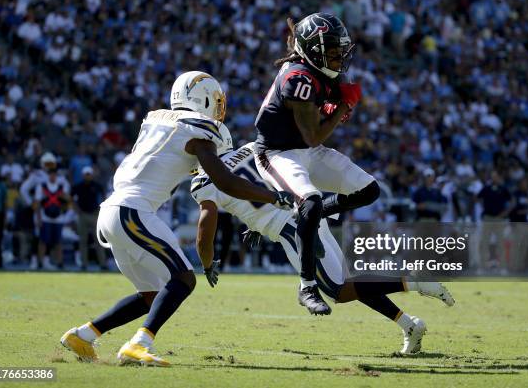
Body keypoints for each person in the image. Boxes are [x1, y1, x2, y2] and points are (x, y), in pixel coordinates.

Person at [60, 71, 294, 367]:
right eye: (216, 101)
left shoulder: (156, 120)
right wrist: (272, 197)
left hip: (111, 210)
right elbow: (224, 181)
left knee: (152, 295)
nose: (220, 108)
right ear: (204, 98)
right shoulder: (200, 130)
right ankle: (138, 344)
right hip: (134, 210)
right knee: (183, 278)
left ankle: (83, 335)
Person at [191, 141, 454, 354]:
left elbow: (205, 231)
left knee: (339, 291)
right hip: (307, 213)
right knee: (348, 282)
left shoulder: (204, 179)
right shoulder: (250, 147)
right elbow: (272, 181)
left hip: (291, 228)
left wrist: (206, 263)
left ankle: (416, 281)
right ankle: (409, 325)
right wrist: (258, 224)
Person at [254, 12, 380, 315]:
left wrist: (336, 107)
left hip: (306, 149)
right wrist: (342, 109)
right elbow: (313, 135)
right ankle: (307, 286)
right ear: (312, 50)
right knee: (309, 200)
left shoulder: (317, 67)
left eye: (341, 51)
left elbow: (313, 134)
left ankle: (310, 217)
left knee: (369, 190)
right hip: (277, 153)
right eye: (333, 52)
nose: (339, 59)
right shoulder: (298, 78)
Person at [33, 163, 71, 270]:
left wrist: (64, 196)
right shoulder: (42, 186)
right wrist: (38, 218)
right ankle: (40, 262)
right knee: (43, 241)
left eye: (54, 174)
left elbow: (68, 201)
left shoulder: (61, 187)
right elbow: (37, 203)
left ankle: (60, 262)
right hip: (45, 218)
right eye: (51, 174)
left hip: (58, 218)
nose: (52, 176)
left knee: (58, 242)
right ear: (48, 175)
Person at [71, 165, 106, 270]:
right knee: (83, 241)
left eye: (89, 174)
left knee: (99, 241)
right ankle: (84, 264)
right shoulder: (78, 186)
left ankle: (102, 264)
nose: (87, 176)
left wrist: (100, 209)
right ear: (83, 175)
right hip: (83, 215)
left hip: (95, 215)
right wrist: (77, 210)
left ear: (92, 175)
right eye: (86, 174)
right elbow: (71, 198)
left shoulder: (97, 185)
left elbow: (104, 197)